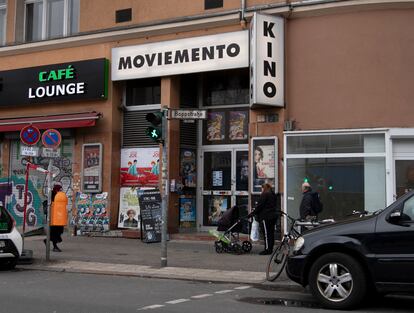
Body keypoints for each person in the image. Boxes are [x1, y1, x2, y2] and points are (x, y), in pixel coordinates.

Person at [252, 183, 280, 255]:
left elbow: (260, 206)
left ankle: (267, 249)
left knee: (266, 233)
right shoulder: (273, 195)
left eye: (261, 188)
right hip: (273, 216)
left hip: (265, 217)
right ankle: (270, 248)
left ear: (264, 188)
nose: (261, 190)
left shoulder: (265, 194)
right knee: (271, 233)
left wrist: (253, 213)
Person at [44, 184, 64, 252]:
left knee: (58, 231)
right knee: (55, 232)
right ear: (56, 189)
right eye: (60, 189)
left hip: (58, 217)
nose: (61, 191)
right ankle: (55, 247)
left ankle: (47, 240)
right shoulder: (53, 196)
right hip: (53, 217)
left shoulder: (58, 195)